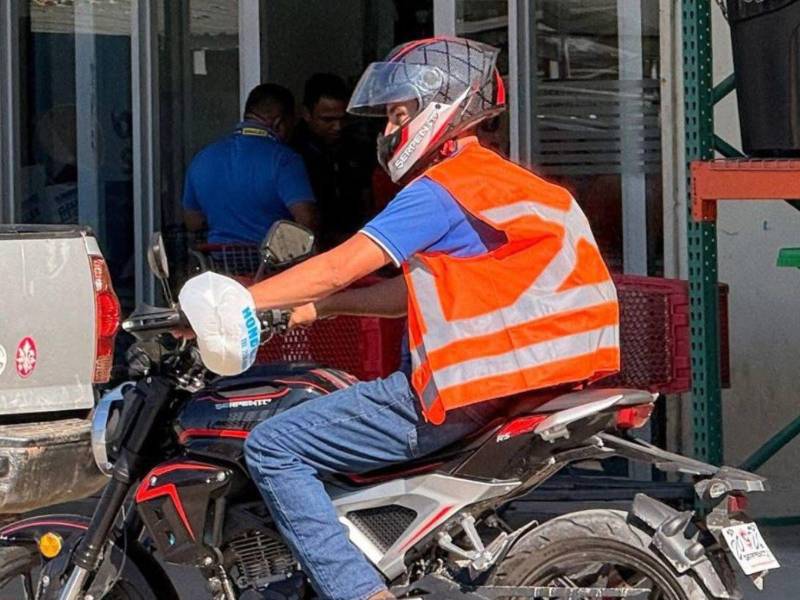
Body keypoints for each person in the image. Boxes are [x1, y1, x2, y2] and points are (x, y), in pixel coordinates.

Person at [186, 37, 620, 600]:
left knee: (274, 445)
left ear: (440, 108)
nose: (388, 130)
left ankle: (360, 592)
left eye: (398, 113)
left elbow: (342, 263)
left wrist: (245, 300)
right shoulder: (502, 183)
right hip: (526, 380)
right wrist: (317, 309)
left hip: (462, 391)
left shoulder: (443, 189)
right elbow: (406, 293)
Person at [183, 83, 317, 245]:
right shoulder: (284, 159)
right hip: (271, 266)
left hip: (219, 262)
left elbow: (193, 221)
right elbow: (307, 220)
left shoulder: (203, 157)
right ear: (279, 123)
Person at [292, 73, 376, 249]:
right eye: (327, 120)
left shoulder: (356, 147)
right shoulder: (291, 154)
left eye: (343, 119)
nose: (337, 127)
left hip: (357, 242)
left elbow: (366, 196)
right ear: (306, 114)